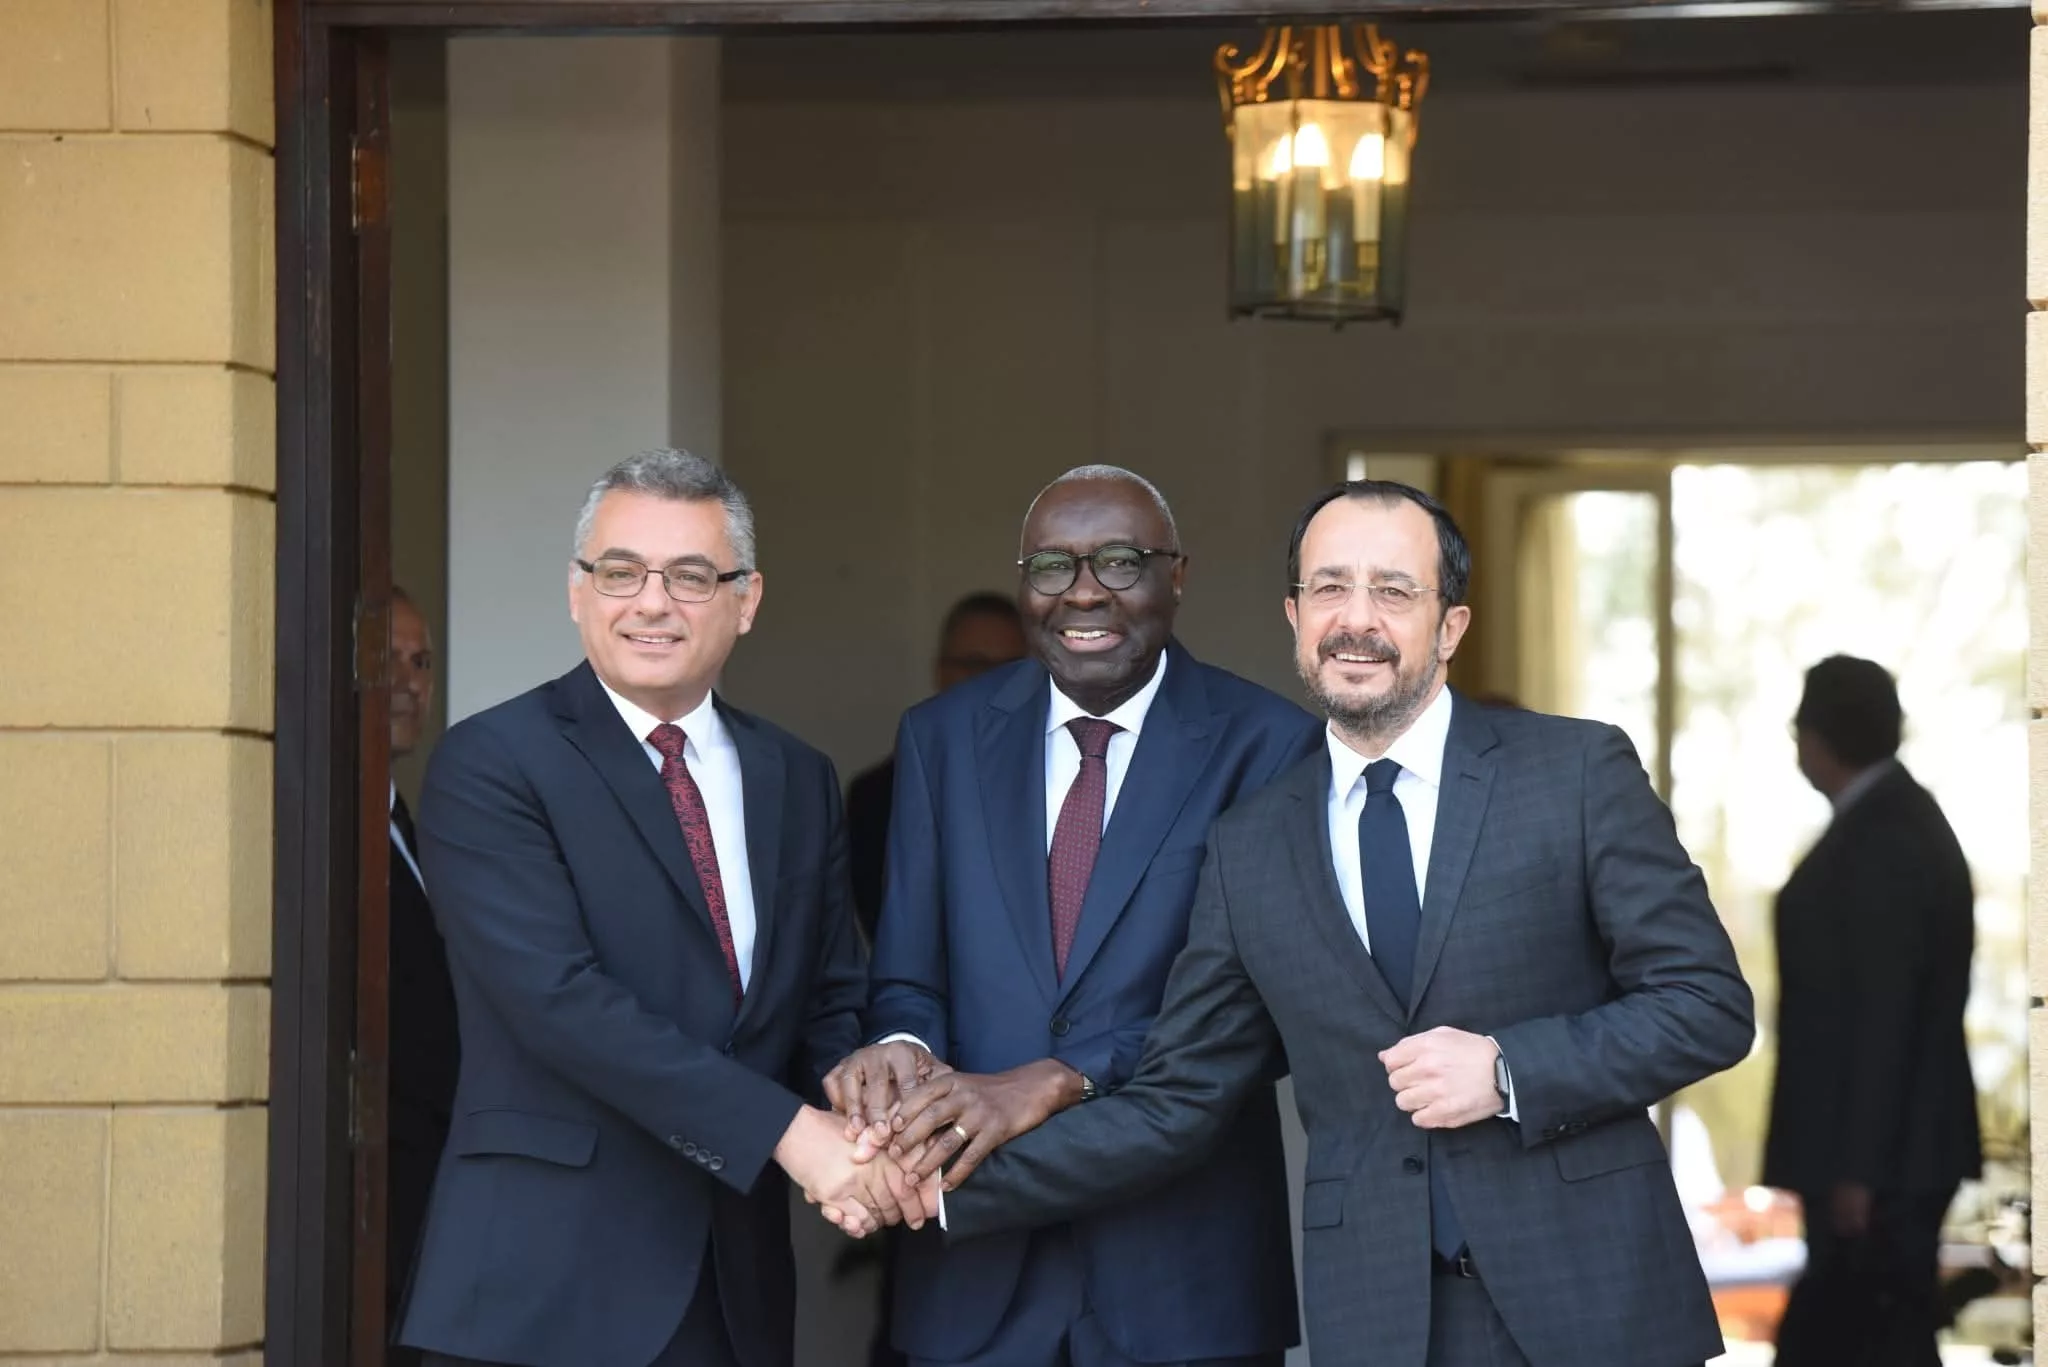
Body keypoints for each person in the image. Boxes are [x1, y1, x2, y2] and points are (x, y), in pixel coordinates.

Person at [866, 480, 1756, 1367]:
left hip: (1595, 1298)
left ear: (1450, 625)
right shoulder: (1253, 839)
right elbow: (1180, 1095)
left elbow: (1708, 1005)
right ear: (1294, 615)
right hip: (1381, 1317)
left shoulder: (1575, 771)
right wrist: (925, 1186)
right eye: (1330, 587)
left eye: (1393, 589)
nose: (1355, 618)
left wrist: (1507, 1069)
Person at [398, 449, 921, 1367]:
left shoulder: (795, 776)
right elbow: (561, 1003)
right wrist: (794, 1135)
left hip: (734, 1289)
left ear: (745, 599)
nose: (651, 603)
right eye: (620, 572)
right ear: (577, 591)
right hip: (541, 1291)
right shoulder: (493, 763)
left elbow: (829, 995)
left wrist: (864, 1102)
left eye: (690, 576)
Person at [826, 465, 1321, 1367]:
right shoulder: (941, 737)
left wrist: (1061, 1076)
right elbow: (906, 975)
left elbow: (1260, 1014)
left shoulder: (1272, 745)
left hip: (1183, 1278)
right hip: (971, 1286)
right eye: (1053, 565)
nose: (1083, 591)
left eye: (1120, 561)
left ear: (1177, 574)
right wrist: (902, 1046)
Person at [1764, 655, 1979, 1367]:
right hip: (1889, 1149)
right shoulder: (1893, 821)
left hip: (1883, 1158)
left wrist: (1860, 1167)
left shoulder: (1884, 836)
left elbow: (1885, 1013)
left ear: (1820, 734)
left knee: (1869, 1336)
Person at [845, 593, 1027, 944]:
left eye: (1010, 667)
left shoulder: (1066, 777)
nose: (992, 682)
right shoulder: (879, 794)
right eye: (974, 665)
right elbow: (888, 927)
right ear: (941, 672)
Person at [385, 586, 460, 1367]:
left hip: (432, 1189)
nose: (409, 681)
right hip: (372, 1188)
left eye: (423, 661)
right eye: (389, 659)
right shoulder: (320, 826)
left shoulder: (413, 819)